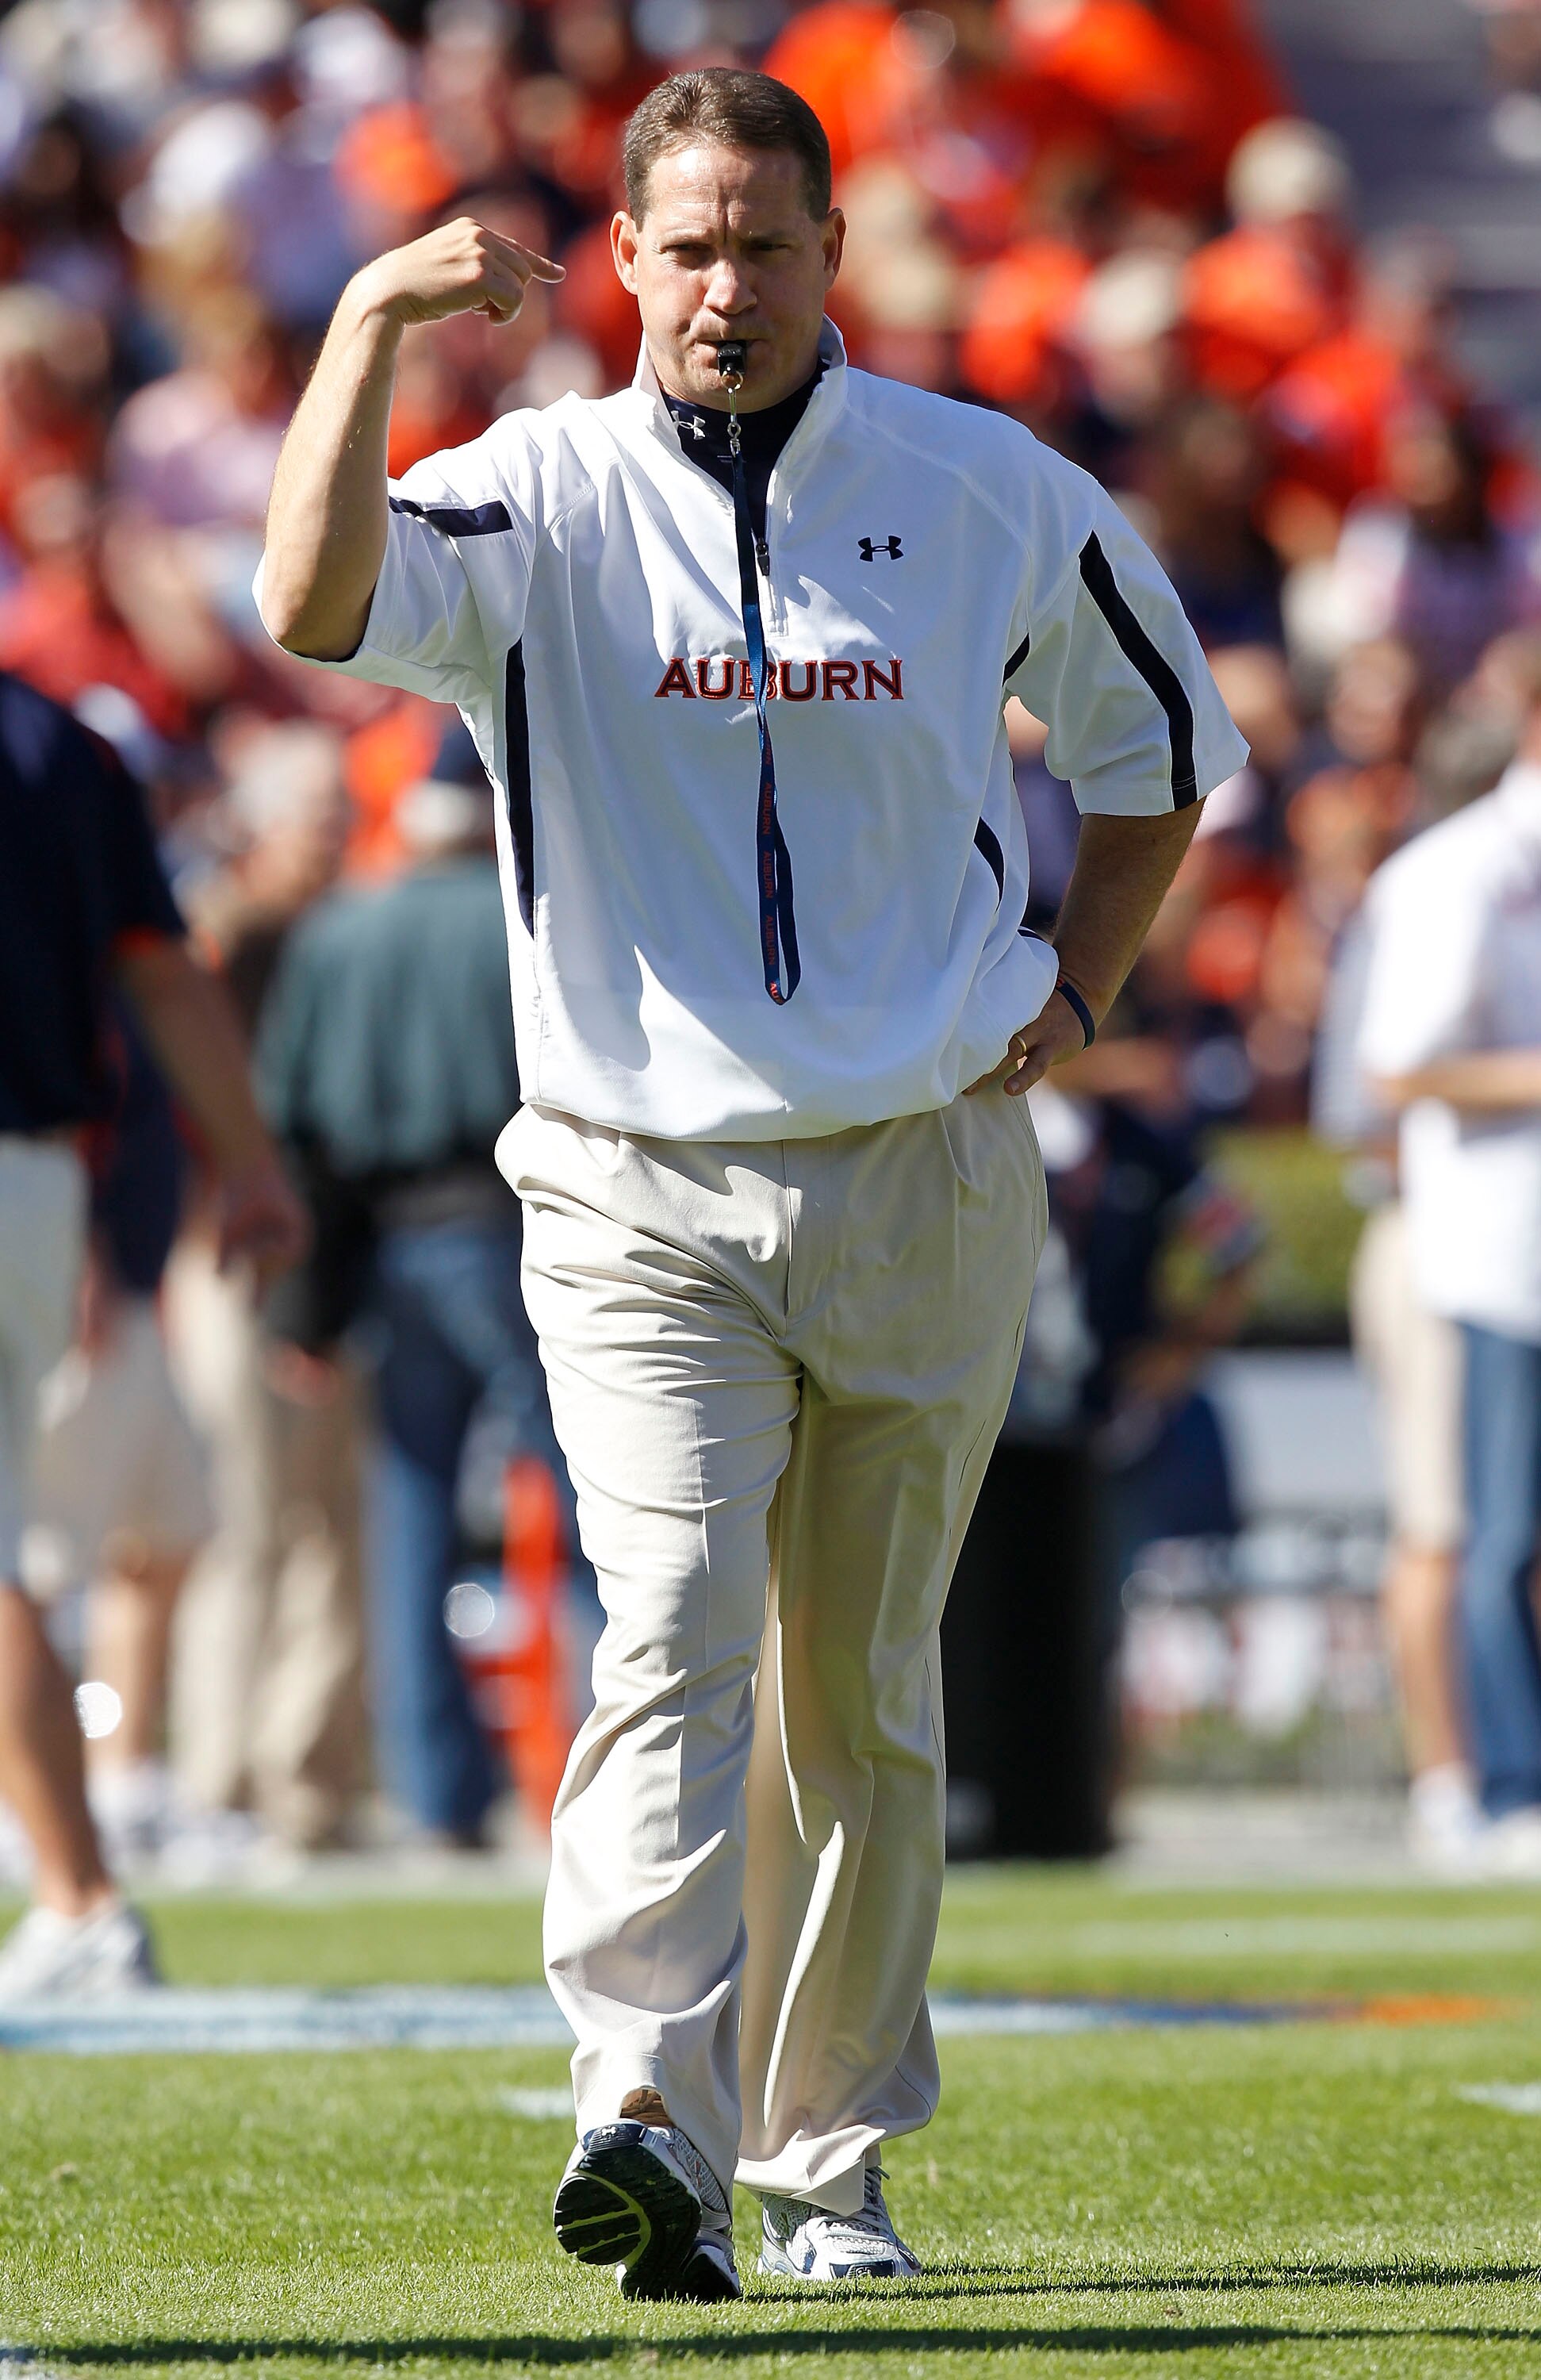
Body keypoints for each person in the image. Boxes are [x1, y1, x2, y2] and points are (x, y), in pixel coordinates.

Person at [258, 68, 1244, 2299]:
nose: (726, 285)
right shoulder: (534, 493)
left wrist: (1077, 996)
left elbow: (1158, 750)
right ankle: (636, 2105)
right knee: (672, 1620)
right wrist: (360, 337)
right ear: (625, 259)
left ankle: (825, 2170)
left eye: (767, 243)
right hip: (630, 1179)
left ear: (835, 252)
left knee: (867, 1691)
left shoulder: (983, 483)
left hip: (924, 1158)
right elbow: (312, 605)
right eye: (688, 244)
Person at [0, 666, 305, 2000]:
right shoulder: (61, 742)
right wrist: (249, 1158)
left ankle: (77, 1892)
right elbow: (161, 968)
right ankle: (78, 1887)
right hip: (39, 1177)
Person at [256, 724, 587, 1848]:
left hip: (393, 1247)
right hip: (531, 1232)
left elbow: (298, 1135)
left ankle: (438, 1798)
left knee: (410, 1519)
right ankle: (607, 1778)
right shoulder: (529, 923)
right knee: (597, 1507)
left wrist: (308, 1306)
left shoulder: (340, 932)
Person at [1358, 666, 1541, 1875]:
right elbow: (1396, 1064)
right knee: (1490, 1531)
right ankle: (1501, 1785)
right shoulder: (1462, 872)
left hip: (1509, 1245)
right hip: (1490, 1254)